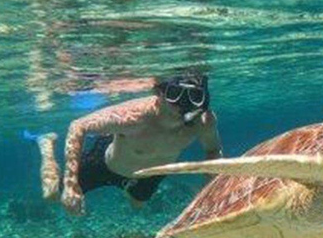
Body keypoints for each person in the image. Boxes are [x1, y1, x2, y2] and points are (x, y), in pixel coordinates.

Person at [31, 73, 222, 215]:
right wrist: (71, 184)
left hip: (151, 174)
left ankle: (129, 188)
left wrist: (209, 193)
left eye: (194, 97)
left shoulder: (204, 122)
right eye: (174, 94)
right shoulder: (134, 116)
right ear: (158, 92)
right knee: (52, 195)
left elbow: (213, 150)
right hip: (105, 164)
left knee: (137, 205)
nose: (183, 104)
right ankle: (46, 145)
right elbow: (78, 126)